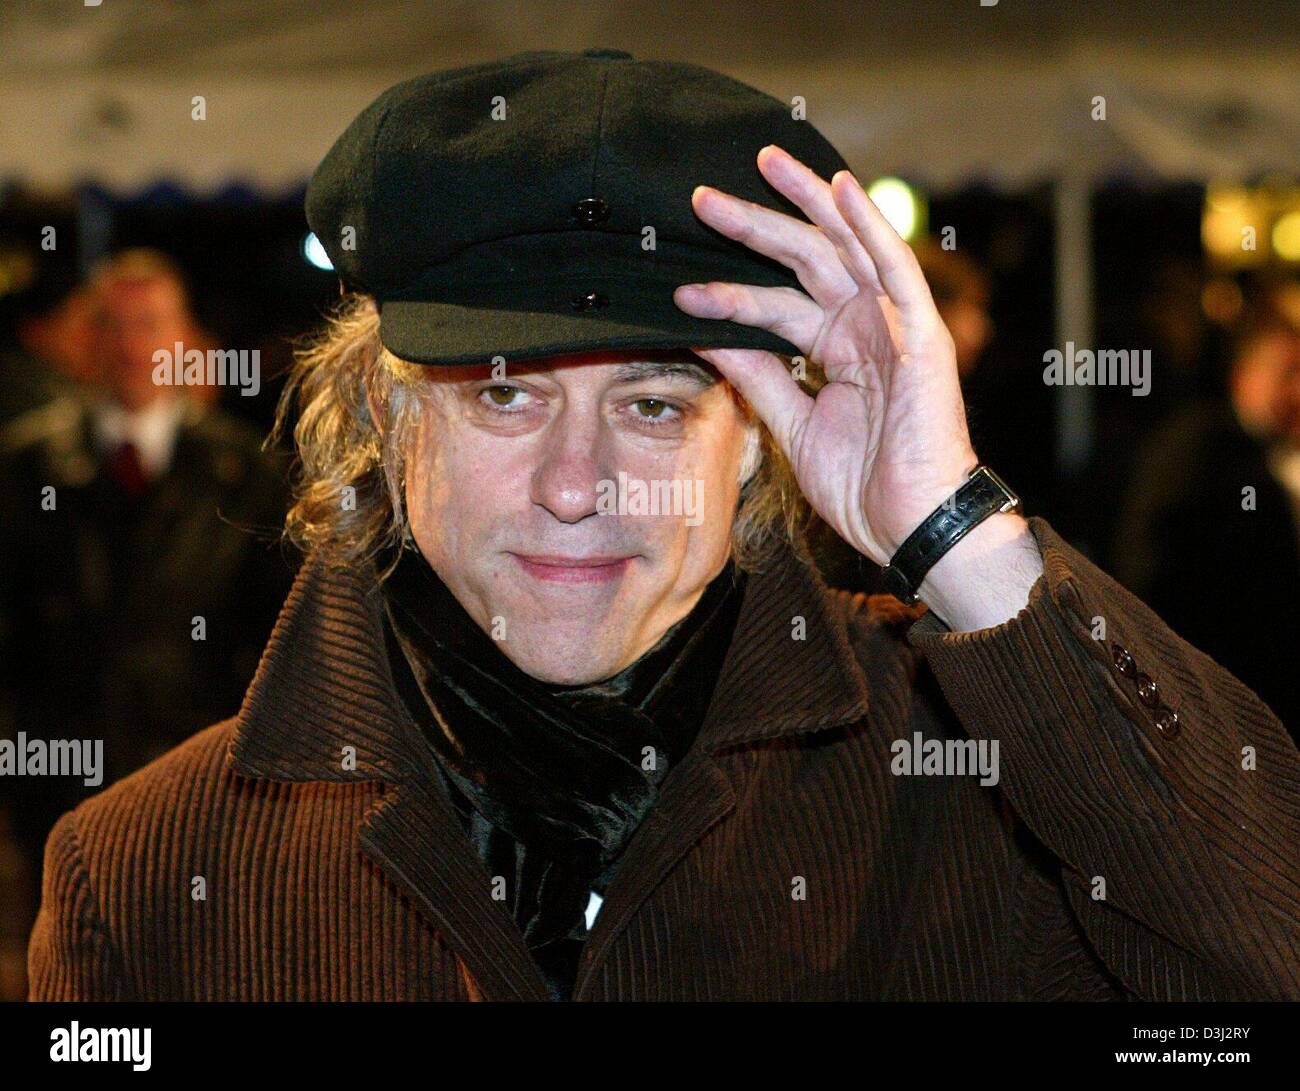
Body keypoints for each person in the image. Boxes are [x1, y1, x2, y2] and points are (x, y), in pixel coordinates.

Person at [28, 51, 1300, 1002]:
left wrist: (951, 525)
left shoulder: (978, 782)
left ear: (754, 436)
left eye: (652, 403)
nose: (576, 485)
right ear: (384, 418)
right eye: (505, 394)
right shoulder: (146, 873)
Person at [1, 250, 294, 997]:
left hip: (205, 786)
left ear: (187, 342)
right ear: (81, 340)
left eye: (150, 325)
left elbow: (280, 639)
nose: (133, 345)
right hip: (59, 786)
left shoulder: (247, 474)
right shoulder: (25, 468)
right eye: (113, 325)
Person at [1112, 301, 1300, 741]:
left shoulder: (1257, 452)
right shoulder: (1202, 456)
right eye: (1287, 372)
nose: (1297, 390)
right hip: (1218, 693)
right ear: (1245, 374)